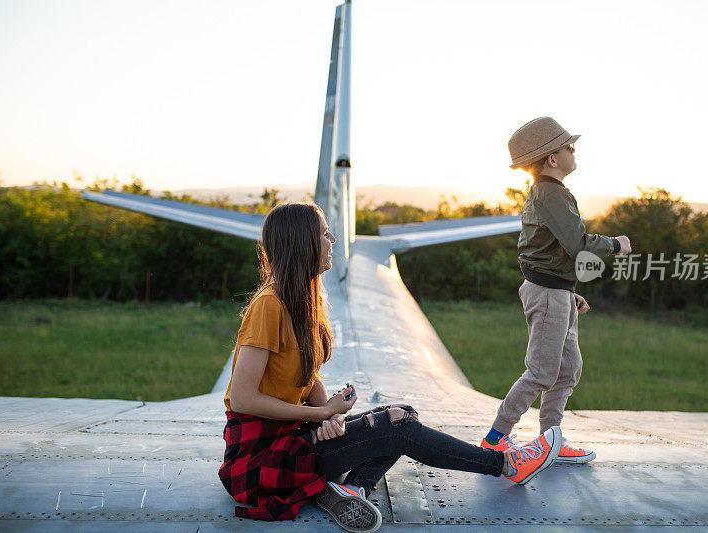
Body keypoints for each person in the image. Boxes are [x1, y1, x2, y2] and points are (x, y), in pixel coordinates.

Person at [218, 202, 564, 533]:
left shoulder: (304, 300)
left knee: (403, 413)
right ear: (303, 242)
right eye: (325, 234)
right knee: (396, 427)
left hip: (292, 439)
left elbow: (306, 375)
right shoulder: (268, 305)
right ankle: (506, 465)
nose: (333, 241)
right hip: (261, 461)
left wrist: (329, 415)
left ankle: (352, 491)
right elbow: (244, 399)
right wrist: (319, 416)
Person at [481, 117, 632, 463]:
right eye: (568, 146)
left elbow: (549, 252)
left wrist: (566, 292)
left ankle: (551, 440)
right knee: (541, 372)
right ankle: (495, 438)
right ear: (552, 158)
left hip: (555, 292)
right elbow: (577, 244)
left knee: (567, 369)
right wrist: (615, 244)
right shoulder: (550, 193)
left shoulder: (549, 192)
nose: (573, 150)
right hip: (548, 293)